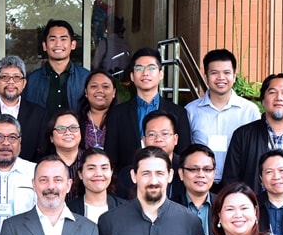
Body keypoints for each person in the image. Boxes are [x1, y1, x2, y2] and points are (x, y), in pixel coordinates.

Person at [104, 48, 191, 188]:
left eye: (151, 68)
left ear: (161, 74)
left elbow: (185, 156)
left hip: (170, 188)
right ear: (132, 76)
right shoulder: (117, 113)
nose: (145, 73)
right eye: (139, 68)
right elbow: (111, 157)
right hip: (128, 188)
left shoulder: (178, 112)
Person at [184, 49, 261, 187]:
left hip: (239, 185)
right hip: (201, 184)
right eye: (214, 73)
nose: (221, 78)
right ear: (206, 76)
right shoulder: (191, 111)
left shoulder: (250, 111)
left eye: (227, 73)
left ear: (234, 76)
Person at [23, 19, 90, 113]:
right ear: (44, 46)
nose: (58, 44)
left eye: (63, 39)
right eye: (52, 39)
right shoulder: (31, 81)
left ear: (73, 44)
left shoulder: (86, 78)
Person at [172, 143, 217, 235]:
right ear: (181, 173)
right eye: (193, 169)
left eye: (207, 169)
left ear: (214, 173)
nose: (201, 175)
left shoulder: (223, 206)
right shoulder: (169, 209)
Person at [78, 71, 118, 149]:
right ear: (86, 92)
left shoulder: (123, 119)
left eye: (105, 86)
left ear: (114, 92)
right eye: (94, 86)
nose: (100, 90)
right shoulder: (76, 121)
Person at [41, 110, 83, 184]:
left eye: (73, 127)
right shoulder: (43, 165)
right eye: (61, 129)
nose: (68, 132)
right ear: (51, 138)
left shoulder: (89, 160)